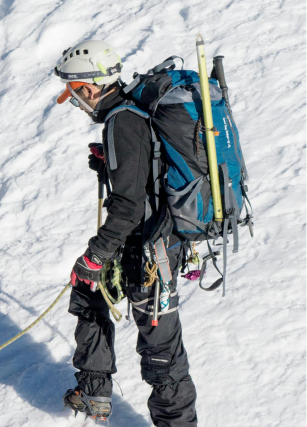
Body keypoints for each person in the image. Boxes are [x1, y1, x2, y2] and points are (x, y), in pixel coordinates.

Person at [54, 40, 198, 426]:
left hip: (150, 252)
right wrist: (111, 167)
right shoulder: (132, 113)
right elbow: (144, 179)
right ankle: (93, 392)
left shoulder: (124, 121)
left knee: (161, 354)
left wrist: (96, 255)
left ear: (87, 87)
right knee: (88, 290)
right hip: (151, 243)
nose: (73, 100)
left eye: (72, 92)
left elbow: (128, 206)